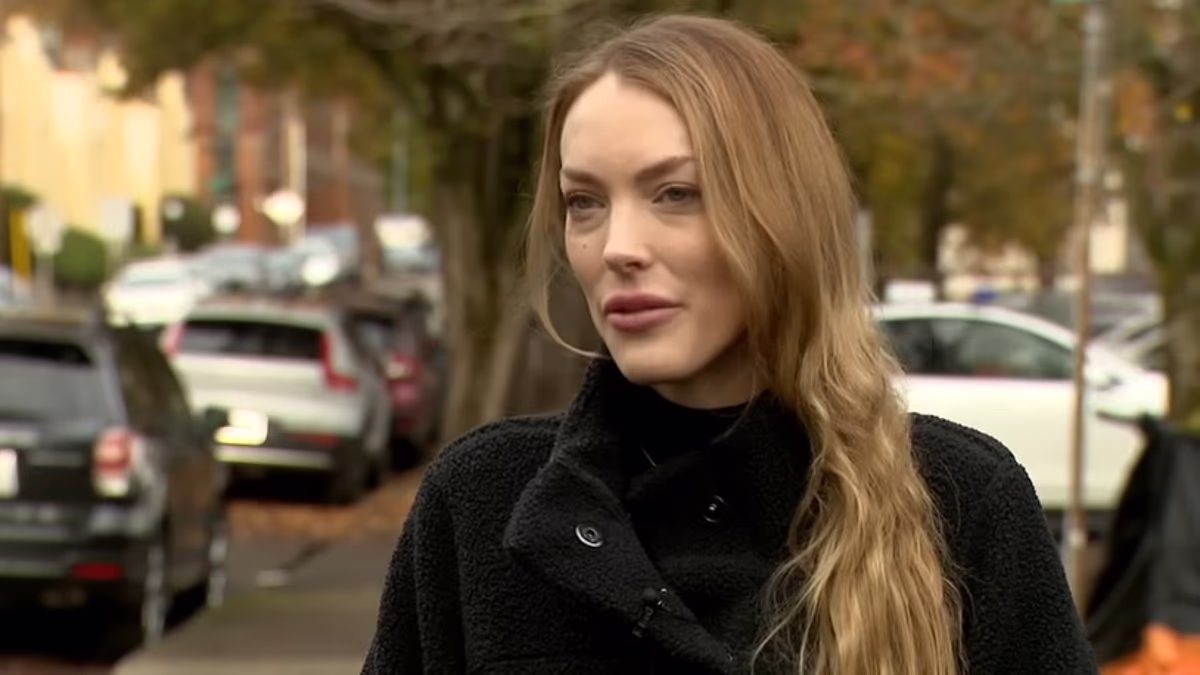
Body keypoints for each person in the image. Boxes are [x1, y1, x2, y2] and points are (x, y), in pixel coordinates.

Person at [362, 14, 1097, 675]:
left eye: (675, 193)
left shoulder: (963, 503)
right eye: (584, 202)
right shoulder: (484, 502)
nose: (617, 246)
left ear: (782, 213)